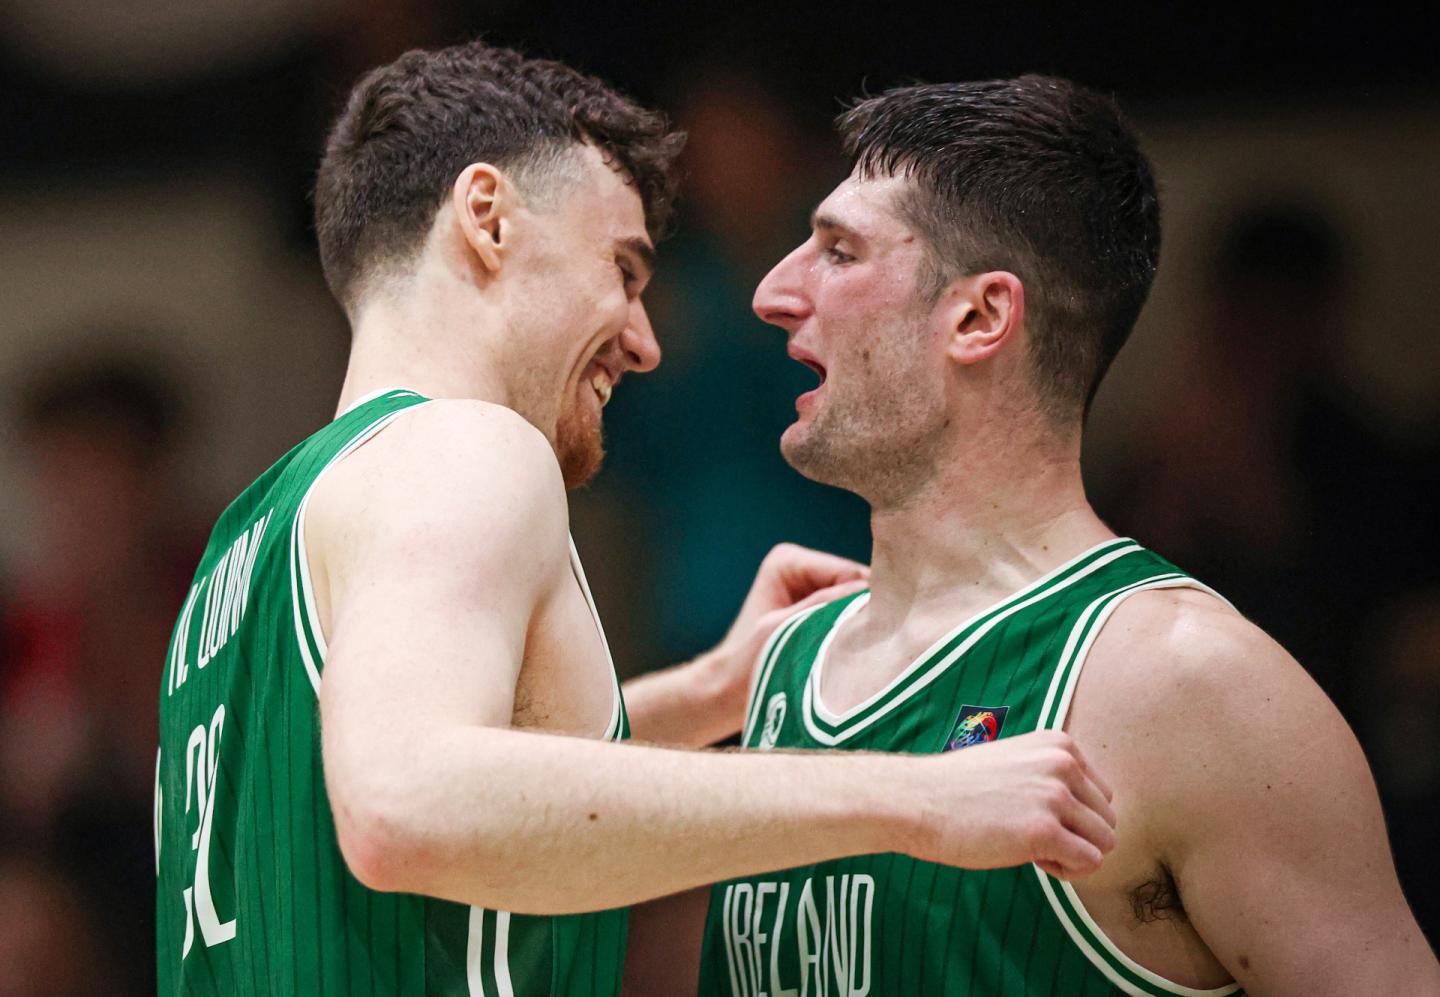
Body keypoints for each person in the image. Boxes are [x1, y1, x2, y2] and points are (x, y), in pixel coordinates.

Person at [153, 43, 1126, 996]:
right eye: (622, 269)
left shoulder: (244, 543)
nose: (646, 339)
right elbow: (407, 801)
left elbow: (456, 787)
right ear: (487, 218)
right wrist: (916, 797)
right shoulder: (466, 448)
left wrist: (705, 693)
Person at [640, 77, 1437, 996]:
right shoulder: (776, 664)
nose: (774, 292)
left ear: (979, 317)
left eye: (838, 251)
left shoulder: (1196, 684)